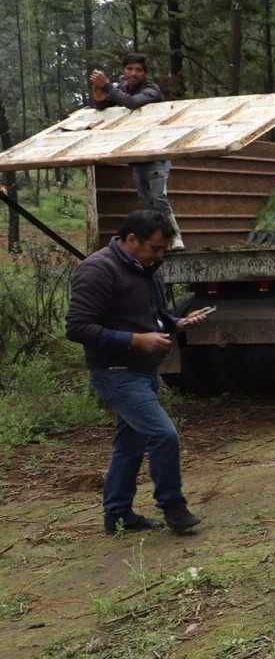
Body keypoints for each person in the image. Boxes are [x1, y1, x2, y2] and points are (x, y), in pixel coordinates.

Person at [65, 210, 207, 535]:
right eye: (155, 248)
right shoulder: (97, 270)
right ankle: (173, 508)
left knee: (129, 445)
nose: (160, 256)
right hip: (115, 371)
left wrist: (178, 323)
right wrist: (135, 340)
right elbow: (77, 327)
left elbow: (152, 316)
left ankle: (117, 515)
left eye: (163, 250)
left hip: (143, 370)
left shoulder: (146, 268)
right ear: (131, 240)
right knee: (163, 434)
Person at [90, 55, 184, 251]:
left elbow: (132, 103)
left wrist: (106, 86)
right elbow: (103, 106)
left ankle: (175, 238)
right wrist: (99, 91)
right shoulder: (122, 89)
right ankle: (157, 241)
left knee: (158, 197)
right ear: (124, 71)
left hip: (157, 152)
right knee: (146, 202)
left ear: (145, 73)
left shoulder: (151, 89)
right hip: (137, 155)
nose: (133, 73)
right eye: (129, 69)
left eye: (138, 70)